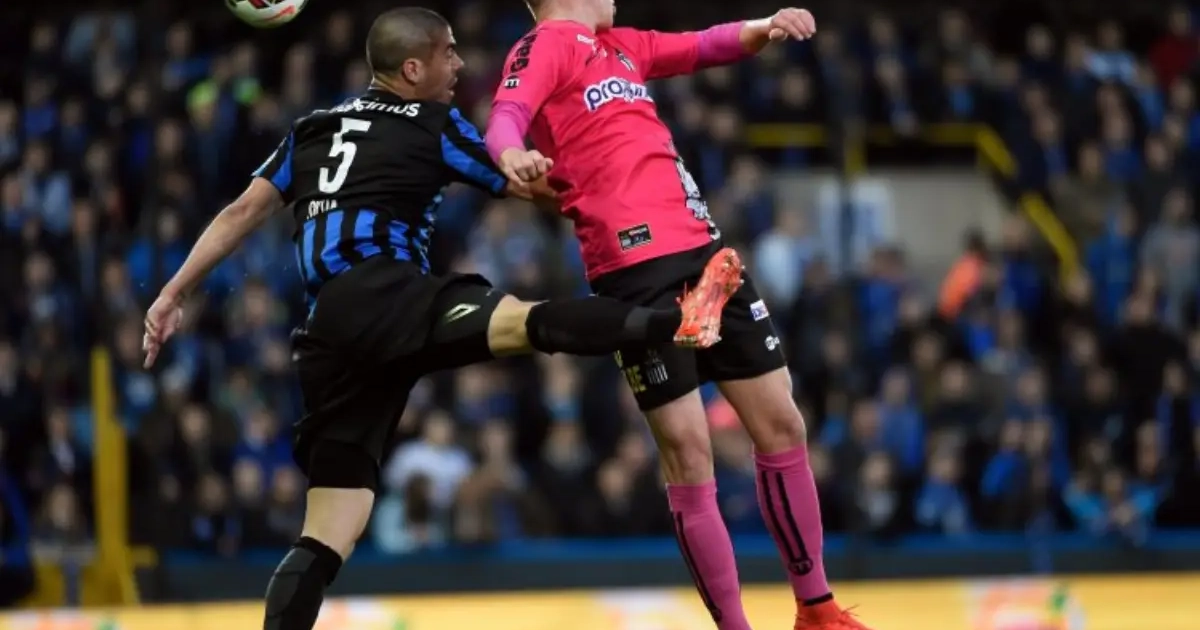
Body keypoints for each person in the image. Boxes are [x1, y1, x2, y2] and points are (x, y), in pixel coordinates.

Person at [139, 8, 743, 630]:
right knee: (526, 323)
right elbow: (526, 184)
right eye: (447, 53)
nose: (459, 65)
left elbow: (241, 212)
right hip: (390, 294)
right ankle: (678, 321)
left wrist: (171, 293)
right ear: (411, 69)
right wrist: (619, 189)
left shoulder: (310, 129)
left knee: (327, 533)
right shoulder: (432, 123)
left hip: (330, 331)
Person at [484, 3, 872, 630]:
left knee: (782, 424)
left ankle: (817, 608)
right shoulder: (548, 44)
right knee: (690, 455)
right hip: (634, 270)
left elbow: (701, 45)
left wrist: (764, 26)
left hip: (703, 250)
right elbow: (506, 115)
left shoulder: (621, 44)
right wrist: (510, 155)